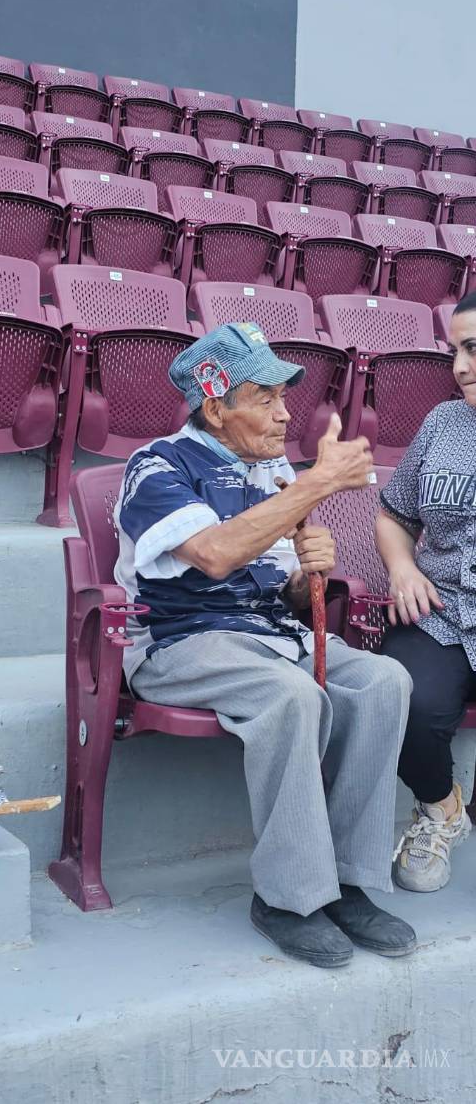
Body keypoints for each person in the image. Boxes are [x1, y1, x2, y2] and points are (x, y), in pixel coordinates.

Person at [114, 321, 415, 968]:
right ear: (215, 405)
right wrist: (318, 484)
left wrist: (308, 569)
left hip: (265, 638)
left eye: (285, 397)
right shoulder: (158, 466)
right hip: (180, 641)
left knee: (385, 679)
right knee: (290, 694)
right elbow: (215, 555)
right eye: (264, 397)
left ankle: (349, 878)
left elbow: (279, 593)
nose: (284, 414)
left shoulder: (271, 472)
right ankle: (290, 897)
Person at [376, 291, 476, 893]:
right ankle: (441, 807)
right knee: (405, 701)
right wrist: (402, 568)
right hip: (439, 610)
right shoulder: (442, 423)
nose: (462, 366)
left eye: (475, 349)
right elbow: (392, 514)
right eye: (456, 351)